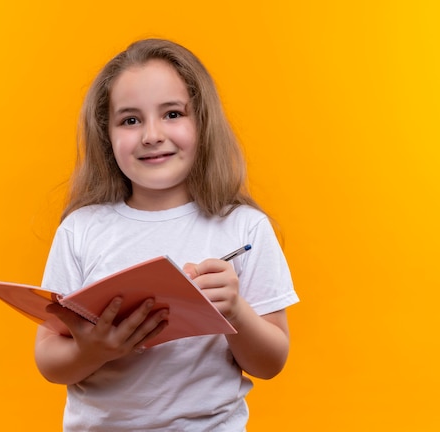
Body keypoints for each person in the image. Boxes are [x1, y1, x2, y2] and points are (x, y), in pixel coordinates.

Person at [35, 38, 299, 431]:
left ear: (203, 123)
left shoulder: (244, 227)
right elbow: (49, 361)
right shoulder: (81, 229)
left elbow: (270, 363)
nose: (152, 135)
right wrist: (93, 351)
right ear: (106, 137)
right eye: (130, 120)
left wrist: (235, 311)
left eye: (172, 114)